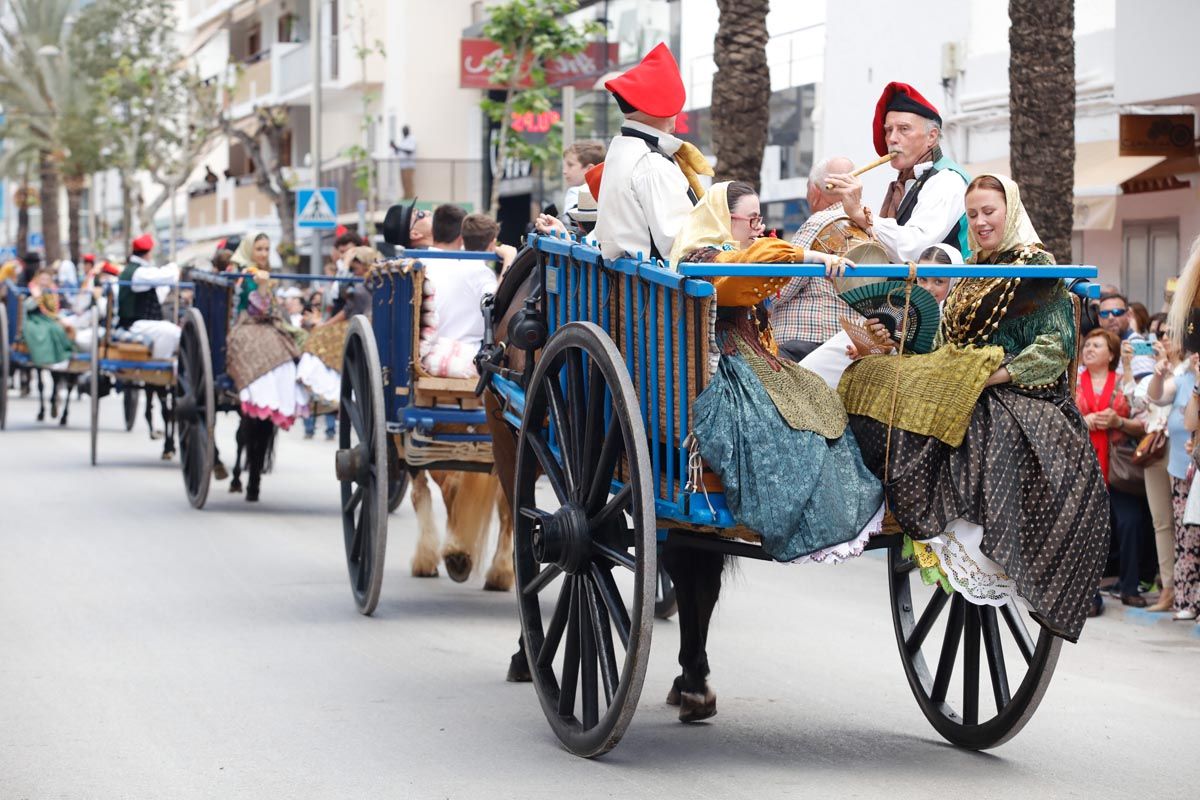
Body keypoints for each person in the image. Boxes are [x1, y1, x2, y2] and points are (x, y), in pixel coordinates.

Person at [838, 173, 1110, 642]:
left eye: (990, 212)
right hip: (960, 375)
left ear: (1011, 212)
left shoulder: (1035, 267)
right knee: (872, 376)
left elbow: (1055, 346)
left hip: (1019, 389)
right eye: (974, 215)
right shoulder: (973, 271)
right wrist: (900, 347)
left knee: (962, 412)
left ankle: (937, 512)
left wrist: (988, 377)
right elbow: (944, 342)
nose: (981, 222)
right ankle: (877, 490)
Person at [669, 180, 883, 561]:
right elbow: (748, 270)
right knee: (788, 428)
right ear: (723, 218)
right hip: (729, 367)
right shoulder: (703, 256)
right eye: (751, 220)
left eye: (759, 219)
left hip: (758, 360)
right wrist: (813, 257)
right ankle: (801, 516)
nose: (757, 228)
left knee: (818, 399)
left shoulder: (731, 253)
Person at [571, 42, 712, 261]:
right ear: (665, 106)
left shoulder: (622, 150)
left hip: (633, 283)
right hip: (658, 289)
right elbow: (681, 246)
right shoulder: (652, 164)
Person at [826, 82, 971, 262]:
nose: (892, 139)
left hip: (943, 290)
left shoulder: (947, 180)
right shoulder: (905, 182)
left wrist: (860, 213)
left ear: (931, 136)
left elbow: (914, 250)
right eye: (888, 130)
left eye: (904, 129)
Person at [224, 232, 309, 500]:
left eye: (266, 248)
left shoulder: (265, 274)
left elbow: (271, 308)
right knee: (264, 348)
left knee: (295, 348)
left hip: (270, 326)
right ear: (249, 251)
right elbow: (253, 308)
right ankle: (257, 394)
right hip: (246, 328)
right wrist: (260, 286)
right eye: (259, 249)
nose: (263, 253)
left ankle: (283, 398)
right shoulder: (243, 275)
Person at [1077, 327, 1148, 607]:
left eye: (1097, 345)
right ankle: (1089, 595)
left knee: (1130, 523)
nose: (1089, 349)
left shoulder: (1123, 382)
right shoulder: (1073, 381)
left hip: (1119, 468)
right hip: (1084, 467)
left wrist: (1118, 422)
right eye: (1087, 345)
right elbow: (1057, 420)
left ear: (1111, 354)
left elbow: (1142, 423)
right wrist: (1086, 420)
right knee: (1089, 530)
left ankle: (1130, 586)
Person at [772, 156, 866, 361]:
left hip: (805, 339)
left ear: (815, 192)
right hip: (850, 342)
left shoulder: (819, 222)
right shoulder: (868, 224)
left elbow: (783, 287)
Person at [298, 246, 379, 439]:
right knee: (317, 339)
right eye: (353, 268)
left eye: (357, 267)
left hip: (367, 329)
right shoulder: (358, 284)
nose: (354, 271)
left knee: (322, 339)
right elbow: (347, 307)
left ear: (367, 264)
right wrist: (325, 325)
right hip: (354, 326)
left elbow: (344, 295)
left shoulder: (375, 282)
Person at [1144, 319, 1189, 612]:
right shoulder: (1163, 368)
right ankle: (1169, 588)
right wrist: (1159, 369)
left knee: (1187, 524)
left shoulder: (1188, 371)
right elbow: (1148, 396)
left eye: (1172, 335)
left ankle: (1184, 591)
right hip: (1158, 448)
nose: (1166, 339)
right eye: (1162, 334)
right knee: (1163, 521)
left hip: (1180, 449)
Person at [116, 234, 182, 360]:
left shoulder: (136, 270)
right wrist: (174, 267)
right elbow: (166, 276)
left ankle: (164, 363)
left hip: (136, 322)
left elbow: (160, 288)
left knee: (170, 330)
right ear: (148, 253)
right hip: (133, 324)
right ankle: (160, 365)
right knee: (171, 332)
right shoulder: (138, 272)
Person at [1099, 292, 1153, 379]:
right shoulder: (1099, 346)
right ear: (1099, 319)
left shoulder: (1140, 344)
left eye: (1117, 312)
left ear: (1129, 315)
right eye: (1104, 313)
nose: (1111, 317)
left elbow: (1146, 385)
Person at [560, 140, 606, 218]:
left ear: (590, 169)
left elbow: (568, 223)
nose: (564, 171)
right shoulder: (605, 192)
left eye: (570, 165)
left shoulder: (574, 192)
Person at [391, 124, 417, 199]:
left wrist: (398, 148)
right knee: (404, 183)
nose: (404, 132)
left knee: (409, 183)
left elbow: (410, 151)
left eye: (405, 130)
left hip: (409, 165)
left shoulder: (412, 139)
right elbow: (399, 152)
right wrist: (394, 147)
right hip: (402, 165)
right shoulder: (403, 140)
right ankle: (406, 197)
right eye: (403, 131)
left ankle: (410, 198)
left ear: (408, 131)